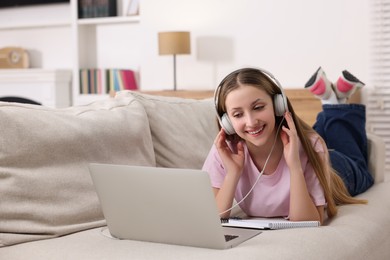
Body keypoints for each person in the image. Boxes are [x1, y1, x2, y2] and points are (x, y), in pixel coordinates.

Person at [202, 67, 373, 224]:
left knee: (360, 169)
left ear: (278, 105)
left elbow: (308, 221)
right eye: (238, 114)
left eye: (258, 107)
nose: (251, 122)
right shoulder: (225, 151)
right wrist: (232, 173)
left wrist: (295, 166)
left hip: (335, 167)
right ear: (227, 122)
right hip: (309, 147)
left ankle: (333, 103)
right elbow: (213, 217)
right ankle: (331, 100)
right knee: (313, 137)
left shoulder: (311, 148)